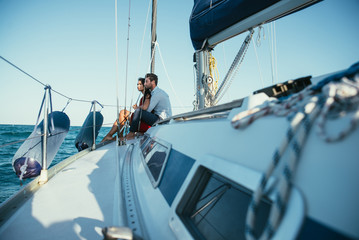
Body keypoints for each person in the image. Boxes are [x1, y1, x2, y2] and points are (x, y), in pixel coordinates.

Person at [101, 77, 151, 142]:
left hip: (142, 123)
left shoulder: (147, 96)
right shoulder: (142, 97)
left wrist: (137, 108)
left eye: (140, 84)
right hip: (139, 120)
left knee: (122, 112)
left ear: (144, 85)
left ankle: (115, 136)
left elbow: (145, 108)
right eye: (137, 84)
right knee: (119, 118)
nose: (138, 86)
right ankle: (110, 136)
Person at [127, 73, 172, 139]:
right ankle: (137, 132)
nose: (145, 84)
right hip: (160, 119)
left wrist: (137, 108)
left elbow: (148, 110)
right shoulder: (157, 92)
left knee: (138, 111)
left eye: (146, 82)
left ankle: (131, 134)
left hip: (161, 121)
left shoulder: (157, 94)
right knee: (138, 112)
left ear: (153, 82)